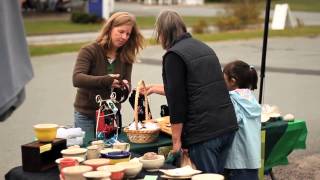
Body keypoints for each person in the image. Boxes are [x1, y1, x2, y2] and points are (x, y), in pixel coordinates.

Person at [144, 10, 238, 173]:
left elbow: (177, 102)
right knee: (217, 176)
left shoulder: (173, 55)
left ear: (164, 33)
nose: (159, 38)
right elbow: (196, 89)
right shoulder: (204, 47)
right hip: (227, 125)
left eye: (159, 34)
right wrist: (155, 88)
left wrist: (176, 141)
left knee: (205, 177)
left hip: (203, 133)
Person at [72, 12, 144, 146]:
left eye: (128, 34)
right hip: (86, 115)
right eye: (121, 31)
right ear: (110, 28)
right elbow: (77, 79)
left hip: (111, 116)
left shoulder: (126, 56)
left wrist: (125, 88)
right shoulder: (89, 50)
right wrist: (106, 80)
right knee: (88, 154)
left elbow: (123, 92)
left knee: (109, 153)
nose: (124, 37)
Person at [223, 60, 261, 180]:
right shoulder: (251, 98)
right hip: (252, 159)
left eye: (223, 77)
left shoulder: (232, 100)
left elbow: (230, 122)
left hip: (237, 162)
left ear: (233, 80)